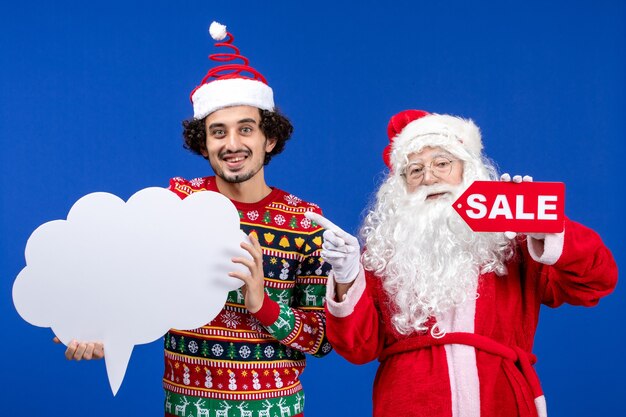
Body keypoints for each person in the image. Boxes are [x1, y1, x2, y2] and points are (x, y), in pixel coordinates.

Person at [59, 21, 332, 417]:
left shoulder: (306, 222)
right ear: (202, 143)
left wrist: (261, 302)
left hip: (277, 409)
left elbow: (320, 339)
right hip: (187, 407)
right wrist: (94, 325)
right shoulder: (176, 203)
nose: (232, 144)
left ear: (268, 138)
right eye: (218, 132)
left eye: (246, 129)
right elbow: (129, 283)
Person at [306, 109, 618, 417]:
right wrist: (346, 276)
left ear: (467, 169)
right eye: (415, 170)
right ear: (401, 186)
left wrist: (543, 226)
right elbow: (358, 349)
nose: (429, 177)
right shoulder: (384, 253)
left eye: (441, 163)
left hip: (501, 400)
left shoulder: (515, 239)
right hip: (408, 402)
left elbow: (597, 281)